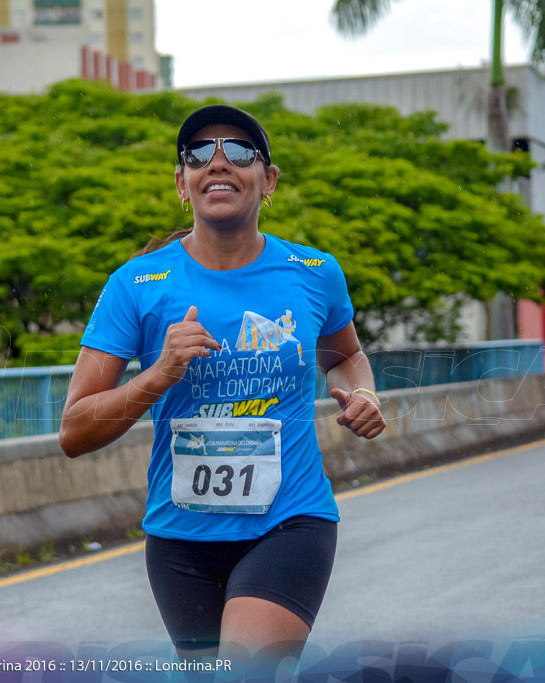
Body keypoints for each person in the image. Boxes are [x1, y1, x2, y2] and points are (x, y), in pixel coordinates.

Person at [59, 104, 386, 672]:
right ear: (182, 184)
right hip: (180, 538)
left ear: (269, 179)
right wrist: (158, 374)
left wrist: (365, 393)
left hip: (290, 521)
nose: (218, 164)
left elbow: (347, 357)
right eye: (197, 155)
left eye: (238, 153)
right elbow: (75, 430)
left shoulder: (314, 272)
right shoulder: (135, 284)